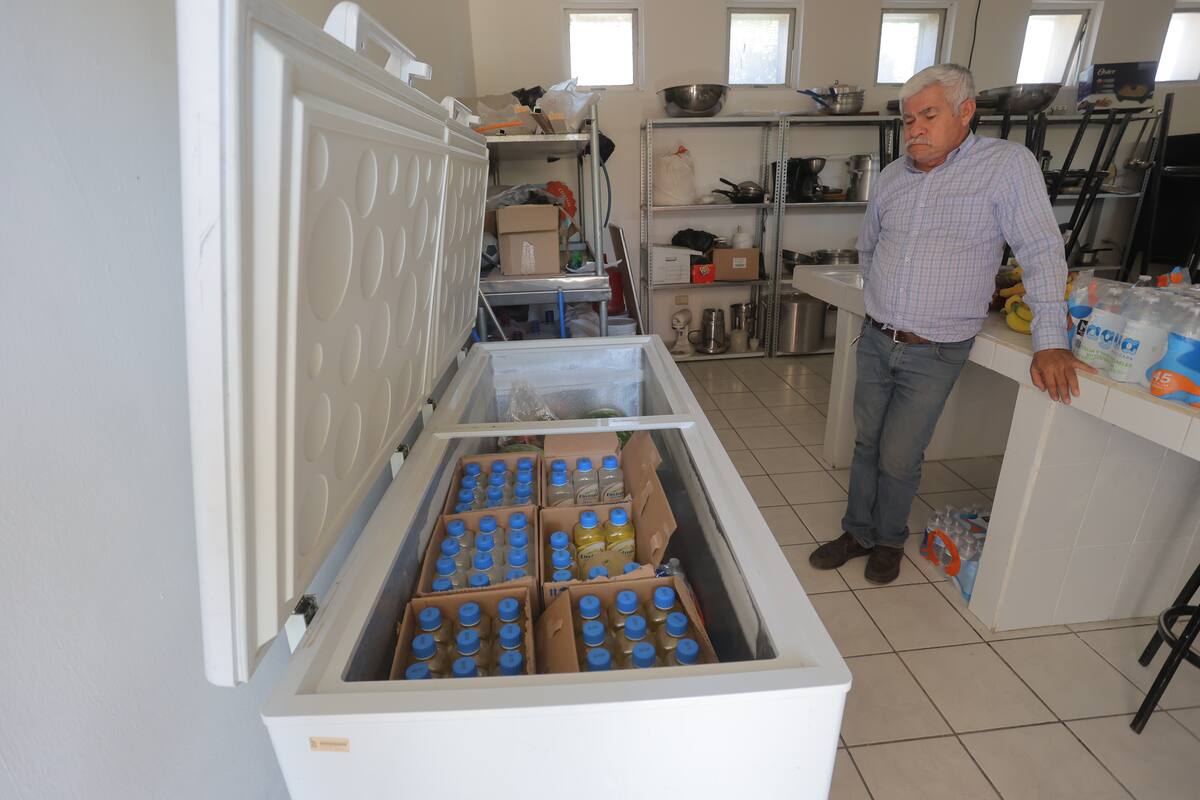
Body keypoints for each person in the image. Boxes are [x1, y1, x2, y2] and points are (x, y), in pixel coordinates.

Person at [808, 63, 1095, 585]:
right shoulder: (895, 176)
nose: (915, 128)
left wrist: (1050, 340)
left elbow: (1041, 251)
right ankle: (858, 530)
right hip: (877, 337)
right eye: (908, 118)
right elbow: (869, 247)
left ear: (966, 112)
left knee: (899, 454)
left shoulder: (1006, 166)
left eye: (929, 115)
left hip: (934, 349)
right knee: (867, 442)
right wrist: (882, 300)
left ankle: (889, 538)